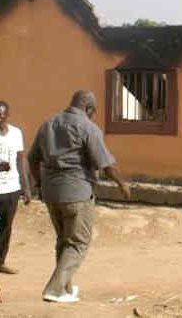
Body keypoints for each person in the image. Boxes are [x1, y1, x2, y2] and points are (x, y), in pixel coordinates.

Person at [28, 91, 131, 303]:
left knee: (64, 241)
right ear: (89, 108)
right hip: (77, 192)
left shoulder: (48, 124)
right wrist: (122, 184)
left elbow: (32, 159)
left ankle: (65, 287)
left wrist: (39, 184)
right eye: (93, 111)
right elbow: (106, 163)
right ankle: (55, 289)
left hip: (51, 193)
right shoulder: (88, 128)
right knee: (78, 243)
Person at [0, 101, 31, 274]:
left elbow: (20, 160)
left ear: (7, 116)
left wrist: (26, 188)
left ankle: (1, 261)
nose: (1, 119)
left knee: (6, 227)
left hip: (11, 189)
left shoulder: (15, 133)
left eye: (3, 116)